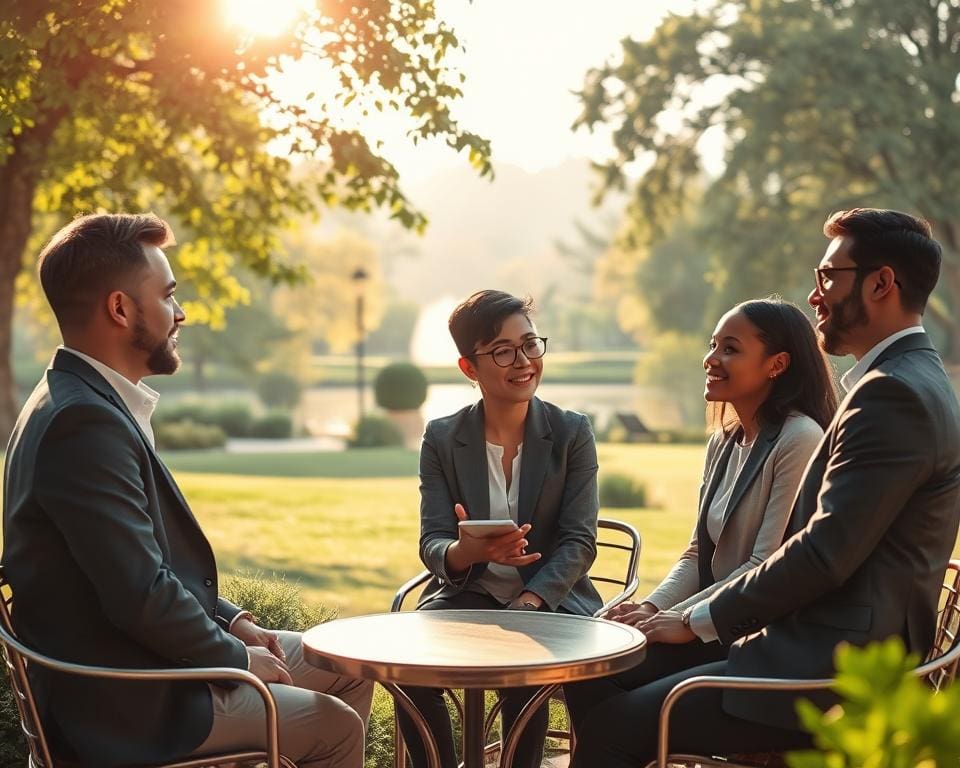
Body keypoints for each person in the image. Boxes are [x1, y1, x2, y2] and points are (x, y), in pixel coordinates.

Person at [569, 208, 960, 767]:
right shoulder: (910, 380)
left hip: (830, 669)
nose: (815, 294)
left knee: (611, 729)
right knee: (598, 677)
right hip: (810, 646)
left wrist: (691, 620)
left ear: (880, 283)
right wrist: (666, 615)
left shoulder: (890, 394)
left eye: (828, 276)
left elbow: (824, 555)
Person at [2, 213, 373, 767]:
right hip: (127, 701)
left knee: (343, 662)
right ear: (121, 308)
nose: (181, 313)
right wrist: (238, 661)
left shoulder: (78, 398)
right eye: (169, 295)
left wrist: (233, 619)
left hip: (142, 667)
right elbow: (139, 594)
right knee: (333, 727)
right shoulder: (84, 425)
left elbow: (141, 566)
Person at [564, 297, 837, 729]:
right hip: (708, 623)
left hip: (749, 634)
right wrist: (652, 608)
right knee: (588, 674)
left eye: (730, 348)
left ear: (777, 364)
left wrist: (684, 621)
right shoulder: (723, 442)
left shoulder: (799, 438)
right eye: (713, 345)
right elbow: (697, 552)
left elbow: (762, 564)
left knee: (609, 701)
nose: (711, 358)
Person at [395, 289, 602, 768]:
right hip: (468, 592)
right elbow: (433, 541)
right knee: (410, 672)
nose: (523, 361)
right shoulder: (443, 437)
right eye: (504, 351)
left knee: (523, 676)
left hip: (549, 598)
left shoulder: (571, 432)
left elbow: (578, 541)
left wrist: (529, 604)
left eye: (530, 344)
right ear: (470, 368)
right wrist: (466, 553)